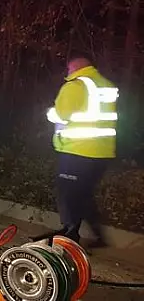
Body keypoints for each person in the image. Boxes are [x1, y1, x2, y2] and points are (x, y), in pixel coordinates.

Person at [46, 52, 118, 247]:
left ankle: (69, 234)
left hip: (77, 150)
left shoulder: (76, 86)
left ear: (76, 67)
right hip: (102, 152)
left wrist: (50, 113)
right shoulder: (106, 86)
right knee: (83, 193)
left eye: (69, 69)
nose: (67, 72)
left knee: (67, 192)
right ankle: (98, 236)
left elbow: (61, 114)